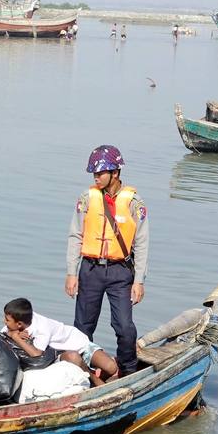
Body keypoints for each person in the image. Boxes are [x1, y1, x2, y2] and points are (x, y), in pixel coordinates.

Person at [65, 144, 148, 378]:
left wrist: (139, 280)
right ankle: (81, 372)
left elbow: (141, 242)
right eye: (94, 173)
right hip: (90, 269)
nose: (96, 177)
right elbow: (75, 235)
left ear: (115, 173)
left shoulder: (134, 202)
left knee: (124, 327)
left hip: (120, 272)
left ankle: (128, 372)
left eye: (100, 173)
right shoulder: (87, 198)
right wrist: (72, 272)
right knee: (82, 326)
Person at [2, 297, 119, 385]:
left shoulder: (42, 327)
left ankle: (94, 375)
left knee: (111, 367)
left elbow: (36, 354)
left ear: (19, 324)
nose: (4, 322)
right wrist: (11, 333)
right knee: (74, 358)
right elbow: (2, 334)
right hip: (63, 354)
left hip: (80, 346)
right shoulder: (16, 324)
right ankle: (95, 382)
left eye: (7, 320)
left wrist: (16, 337)